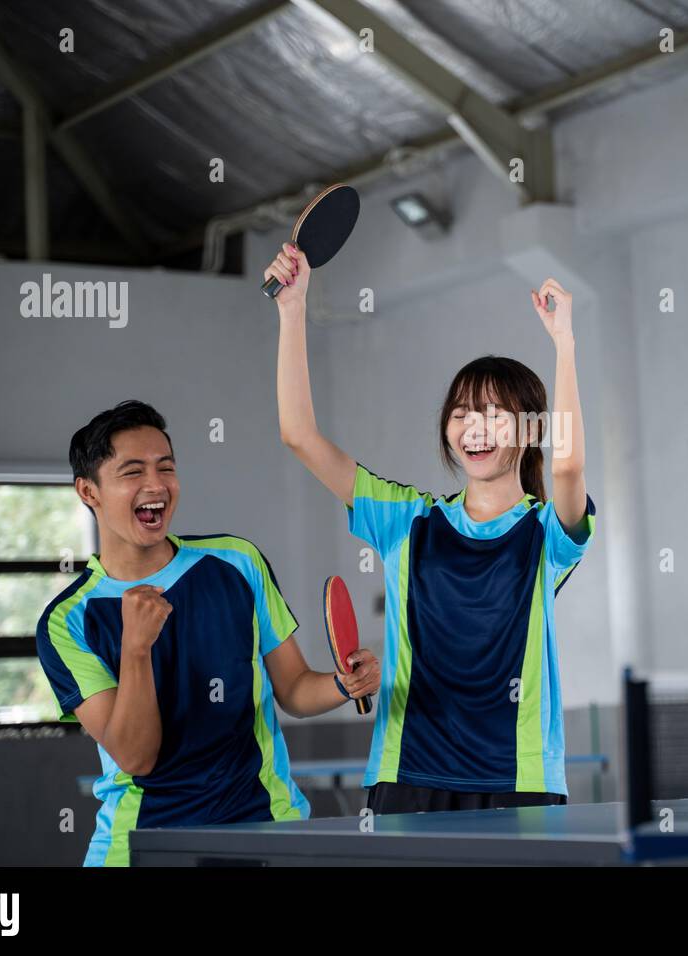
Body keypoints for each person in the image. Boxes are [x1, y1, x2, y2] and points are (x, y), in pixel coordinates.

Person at [267, 242, 595, 814]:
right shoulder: (406, 520)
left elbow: (567, 465)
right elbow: (300, 435)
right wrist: (293, 309)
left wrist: (564, 343)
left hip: (518, 782)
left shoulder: (548, 534)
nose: (476, 426)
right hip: (407, 773)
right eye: (463, 411)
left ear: (530, 430)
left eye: (496, 413)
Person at [36, 400, 379, 865]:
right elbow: (137, 758)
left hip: (267, 828)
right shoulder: (67, 621)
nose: (156, 485)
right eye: (132, 472)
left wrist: (343, 683)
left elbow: (295, 689)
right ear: (89, 491)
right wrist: (136, 651)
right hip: (142, 844)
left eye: (166, 468)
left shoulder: (236, 562)